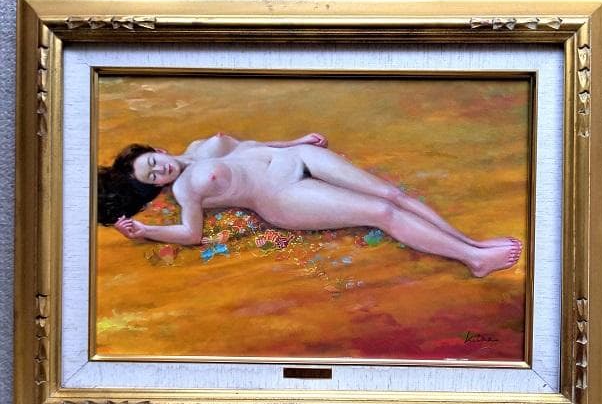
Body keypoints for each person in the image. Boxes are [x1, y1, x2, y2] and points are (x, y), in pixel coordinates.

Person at [99, 132, 522, 277]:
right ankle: (472, 259)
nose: (160, 171)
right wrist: (147, 231)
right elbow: (191, 233)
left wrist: (296, 142)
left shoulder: (197, 147)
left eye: (152, 163)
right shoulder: (185, 191)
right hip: (281, 196)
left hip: (294, 157)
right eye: (152, 178)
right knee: (382, 213)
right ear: (155, 187)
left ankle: (473, 244)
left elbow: (249, 146)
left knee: (392, 194)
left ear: (156, 151)